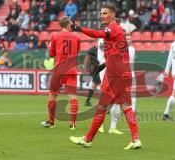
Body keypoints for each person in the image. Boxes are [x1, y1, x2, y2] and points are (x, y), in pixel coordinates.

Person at [70, 4, 141, 149]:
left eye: (105, 13)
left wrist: (80, 29)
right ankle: (136, 139)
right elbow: (115, 53)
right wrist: (103, 66)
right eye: (101, 13)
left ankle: (88, 139)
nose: (102, 15)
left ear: (113, 15)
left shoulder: (113, 28)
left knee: (102, 106)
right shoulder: (118, 30)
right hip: (123, 72)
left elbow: (97, 34)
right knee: (126, 106)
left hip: (114, 75)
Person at [40, 16, 80, 130]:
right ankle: (72, 124)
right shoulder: (76, 37)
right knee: (73, 96)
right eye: (71, 24)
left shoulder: (55, 36)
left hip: (59, 69)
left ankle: (52, 122)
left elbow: (52, 54)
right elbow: (77, 52)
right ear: (67, 25)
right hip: (72, 69)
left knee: (52, 94)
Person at [83, 39, 102, 107]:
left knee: (94, 85)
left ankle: (87, 101)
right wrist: (85, 68)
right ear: (95, 42)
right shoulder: (92, 50)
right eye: (99, 42)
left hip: (99, 69)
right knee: (103, 86)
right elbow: (86, 58)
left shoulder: (101, 49)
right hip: (94, 69)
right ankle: (104, 105)